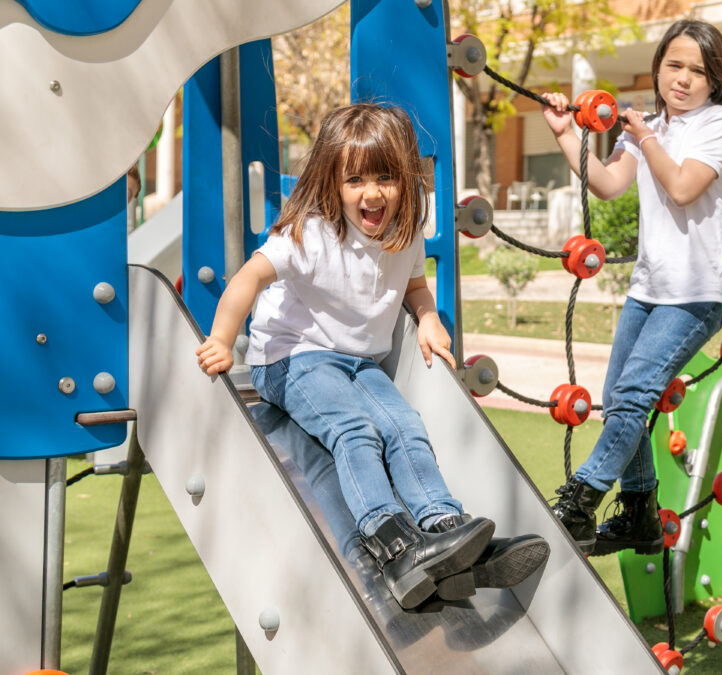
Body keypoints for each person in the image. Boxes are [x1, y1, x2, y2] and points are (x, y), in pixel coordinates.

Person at [196, 103, 548, 609]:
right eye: (356, 179)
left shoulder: (404, 232)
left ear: (405, 178)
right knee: (354, 430)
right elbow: (249, 277)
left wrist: (428, 317)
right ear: (332, 182)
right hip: (292, 357)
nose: (373, 193)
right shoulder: (310, 233)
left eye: (386, 177)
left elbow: (415, 285)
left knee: (404, 426)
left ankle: (444, 531)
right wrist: (222, 340)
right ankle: (394, 546)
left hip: (360, 361)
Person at [540, 20, 722, 556]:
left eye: (698, 71)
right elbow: (608, 184)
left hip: (697, 294)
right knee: (617, 399)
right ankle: (639, 512)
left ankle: (580, 501)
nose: (683, 79)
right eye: (674, 66)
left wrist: (645, 135)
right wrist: (565, 133)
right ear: (657, 68)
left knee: (634, 393)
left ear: (714, 81)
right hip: (649, 288)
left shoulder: (717, 123)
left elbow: (682, 188)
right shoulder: (648, 126)